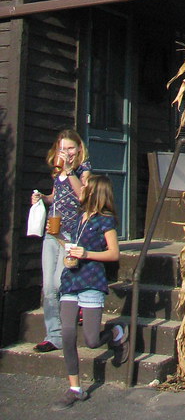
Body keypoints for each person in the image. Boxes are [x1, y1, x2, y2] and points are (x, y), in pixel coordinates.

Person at [56, 173, 129, 407]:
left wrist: (87, 254)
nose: (82, 187)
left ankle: (117, 333)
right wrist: (57, 237)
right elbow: (73, 246)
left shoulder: (105, 220)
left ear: (96, 192)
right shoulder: (80, 217)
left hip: (91, 280)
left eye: (86, 185)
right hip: (71, 278)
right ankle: (75, 387)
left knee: (91, 340)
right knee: (67, 333)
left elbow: (114, 253)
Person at [30, 130, 91, 353]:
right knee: (48, 287)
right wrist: (42, 198)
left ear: (78, 149)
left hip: (70, 235)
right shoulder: (57, 172)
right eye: (62, 149)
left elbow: (83, 195)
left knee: (58, 283)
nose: (66, 153)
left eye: (70, 148)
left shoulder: (84, 170)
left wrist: (69, 171)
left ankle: (76, 315)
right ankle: (53, 335)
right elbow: (56, 196)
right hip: (52, 232)